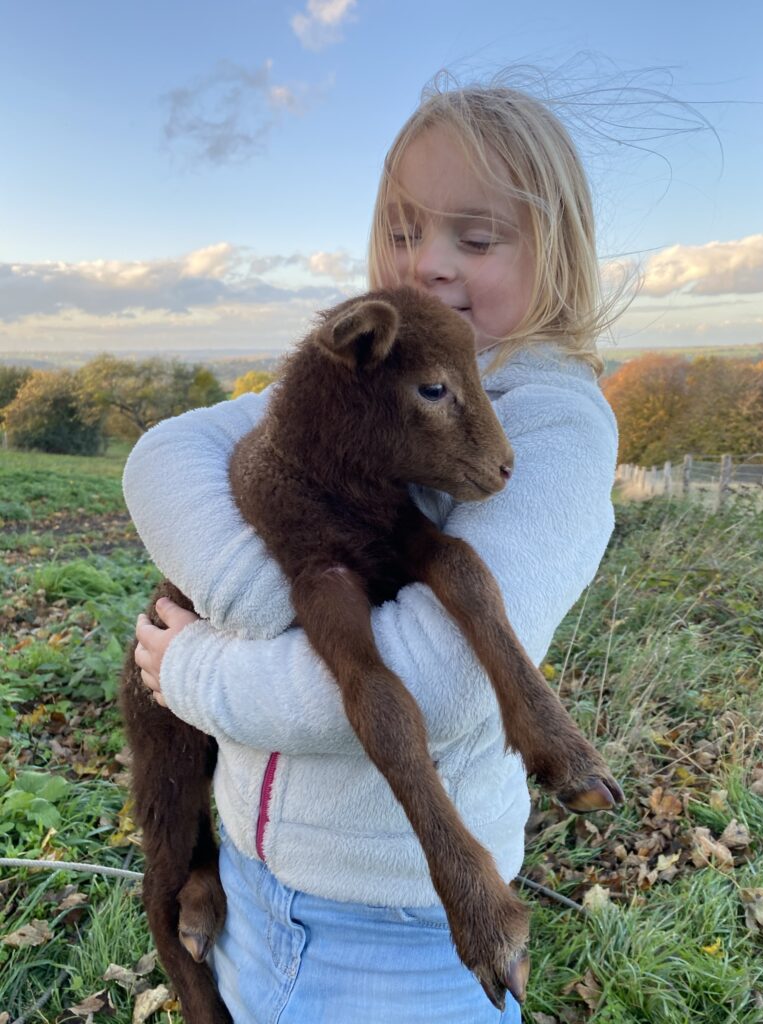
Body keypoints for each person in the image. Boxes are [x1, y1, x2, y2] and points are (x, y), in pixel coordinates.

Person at [124, 74, 619, 1024]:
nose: (425, 262)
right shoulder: (366, 361)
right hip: (255, 897)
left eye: (473, 239)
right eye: (401, 229)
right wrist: (277, 600)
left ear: (555, 254)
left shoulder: (555, 423)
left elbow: (439, 683)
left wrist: (193, 668)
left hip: (402, 939)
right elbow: (162, 456)